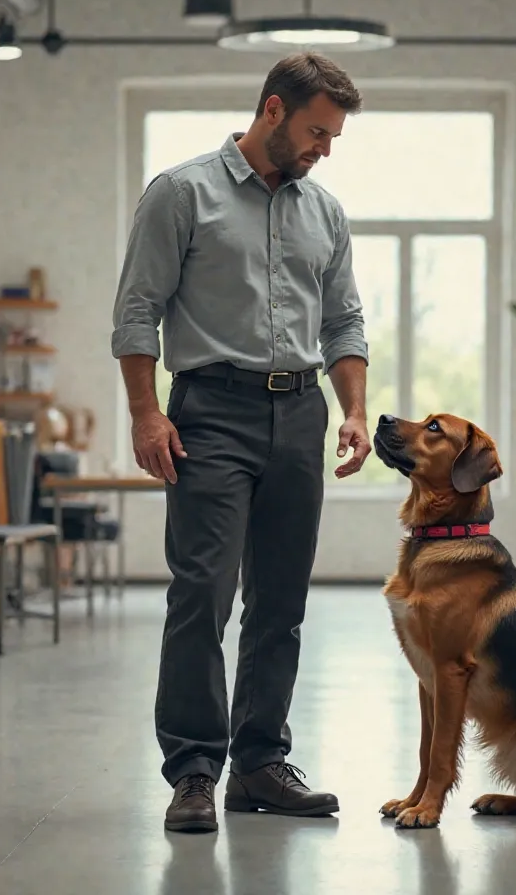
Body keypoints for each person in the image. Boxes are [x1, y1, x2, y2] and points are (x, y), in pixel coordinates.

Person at [111, 53, 371, 833]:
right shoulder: (182, 193)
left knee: (280, 602)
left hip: (299, 414)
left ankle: (258, 763)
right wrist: (144, 413)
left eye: (333, 136)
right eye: (317, 132)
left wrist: (354, 410)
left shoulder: (323, 211)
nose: (325, 148)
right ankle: (194, 768)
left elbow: (344, 322)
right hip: (209, 412)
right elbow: (136, 311)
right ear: (271, 111)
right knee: (202, 592)